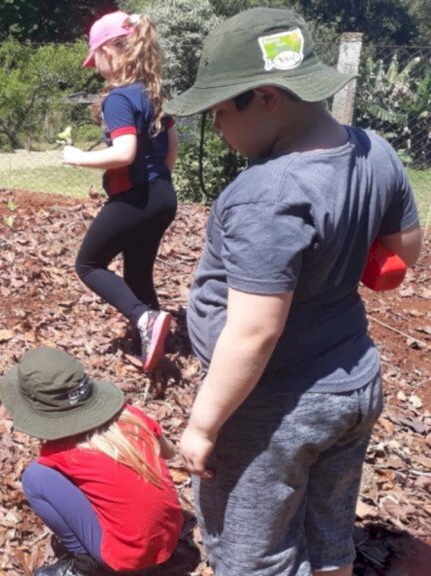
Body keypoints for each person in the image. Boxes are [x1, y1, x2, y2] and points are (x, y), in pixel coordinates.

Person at [164, 8, 422, 576]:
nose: (219, 130)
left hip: (274, 405)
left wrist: (203, 425)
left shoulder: (267, 193)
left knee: (255, 553)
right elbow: (406, 254)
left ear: (266, 97)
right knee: (328, 534)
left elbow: (255, 331)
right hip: (351, 384)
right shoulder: (373, 150)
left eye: (219, 113)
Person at [0, 348, 184, 576]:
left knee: (36, 478)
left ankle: (83, 565)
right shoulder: (133, 416)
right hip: (169, 539)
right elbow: (169, 452)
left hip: (124, 559)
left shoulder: (60, 452)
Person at [61, 12, 178, 372]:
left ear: (110, 51)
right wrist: (159, 182)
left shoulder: (119, 98)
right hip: (162, 195)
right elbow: (172, 144)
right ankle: (156, 341)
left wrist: (80, 158)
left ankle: (144, 318)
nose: (95, 67)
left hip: (135, 197)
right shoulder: (154, 92)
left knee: (89, 264)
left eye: (95, 57)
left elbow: (124, 152)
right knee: (138, 273)